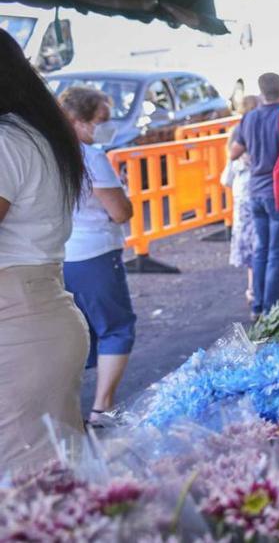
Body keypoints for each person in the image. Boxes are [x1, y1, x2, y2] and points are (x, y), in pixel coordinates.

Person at [0, 30, 90, 470]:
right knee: (55, 486)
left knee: (25, 497)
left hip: (19, 331)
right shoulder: (33, 134)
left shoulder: (4, 142)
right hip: (41, 319)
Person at [57, 86, 137, 428]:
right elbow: (120, 212)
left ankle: (68, 410)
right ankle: (103, 409)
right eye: (101, 120)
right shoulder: (91, 158)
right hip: (96, 254)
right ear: (79, 120)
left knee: (78, 334)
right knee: (117, 329)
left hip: (61, 255)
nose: (106, 126)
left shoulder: (49, 152)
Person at [230, 73, 279, 319]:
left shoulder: (249, 118)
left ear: (261, 93)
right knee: (278, 253)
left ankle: (257, 307)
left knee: (261, 250)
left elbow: (234, 152)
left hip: (255, 192)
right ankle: (271, 310)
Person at [221, 95, 261, 305]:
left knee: (251, 247)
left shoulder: (236, 132)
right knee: (261, 243)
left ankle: (253, 290)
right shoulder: (256, 129)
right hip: (256, 191)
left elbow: (230, 164)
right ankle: (256, 291)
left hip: (242, 194)